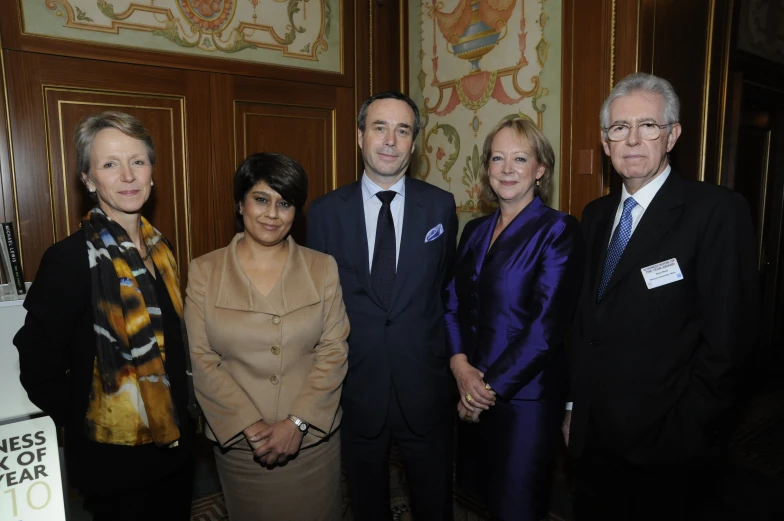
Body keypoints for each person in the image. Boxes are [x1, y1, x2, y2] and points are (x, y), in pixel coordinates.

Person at [565, 72, 759, 520]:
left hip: (668, 450)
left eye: (648, 126)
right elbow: (582, 323)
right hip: (592, 441)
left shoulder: (716, 212)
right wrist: (575, 405)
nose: (632, 139)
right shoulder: (593, 216)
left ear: (672, 135)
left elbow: (729, 344)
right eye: (619, 128)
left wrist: (689, 432)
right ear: (605, 141)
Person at [14, 111, 198, 520]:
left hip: (177, 446)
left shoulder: (161, 249)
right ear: (88, 179)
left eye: (138, 161)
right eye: (110, 164)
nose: (128, 176)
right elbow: (36, 362)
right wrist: (84, 425)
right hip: (113, 463)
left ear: (152, 171)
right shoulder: (68, 259)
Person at [307, 90, 458, 520]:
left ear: (414, 142)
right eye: (380, 127)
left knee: (434, 504)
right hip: (356, 387)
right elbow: (317, 306)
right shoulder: (323, 214)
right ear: (360, 137)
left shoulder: (441, 207)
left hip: (425, 387)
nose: (390, 140)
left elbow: (445, 287)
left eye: (403, 130)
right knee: (367, 504)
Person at [184, 152, 349, 521]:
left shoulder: (322, 268)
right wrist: (250, 426)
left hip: (311, 443)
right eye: (261, 199)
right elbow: (201, 358)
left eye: (285, 203)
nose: (272, 214)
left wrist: (298, 423)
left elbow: (334, 351)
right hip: (243, 447)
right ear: (240, 203)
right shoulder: (204, 272)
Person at [443, 117, 583, 521]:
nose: (506, 169)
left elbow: (545, 328)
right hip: (470, 387)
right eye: (497, 158)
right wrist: (459, 367)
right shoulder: (474, 229)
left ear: (541, 169)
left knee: (519, 507)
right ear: (486, 167)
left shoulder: (558, 230)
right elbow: (451, 301)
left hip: (525, 402)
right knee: (484, 499)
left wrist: (484, 388)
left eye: (520, 158)